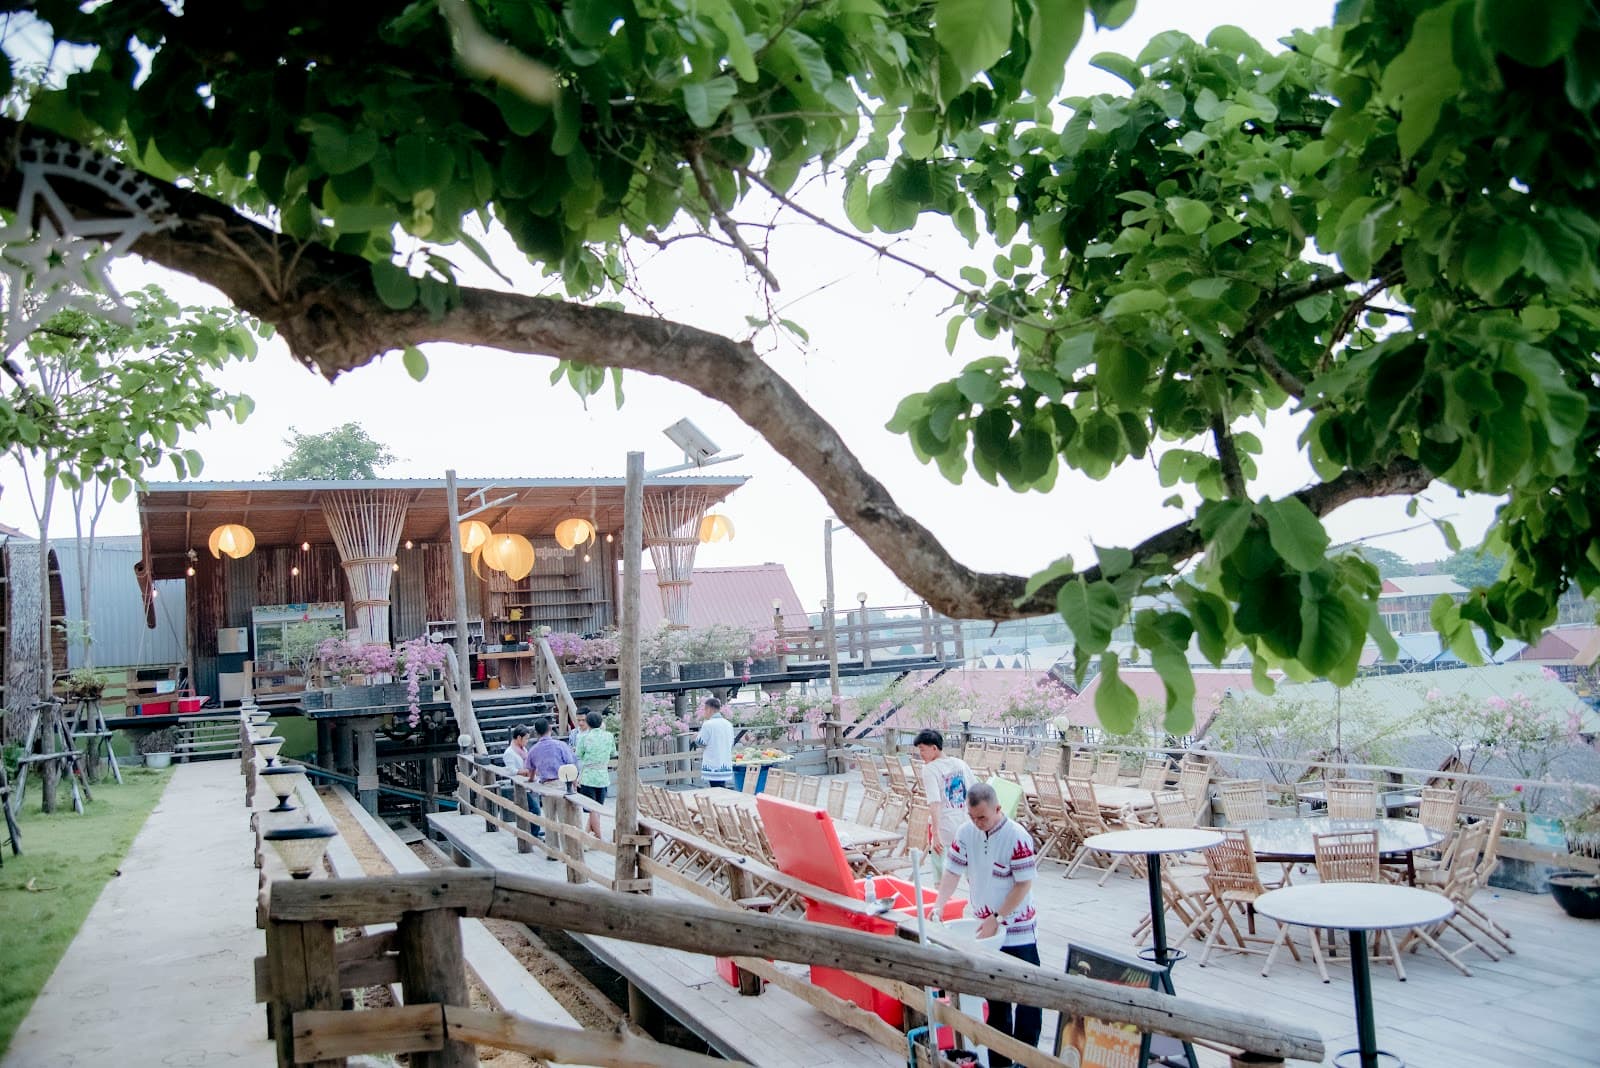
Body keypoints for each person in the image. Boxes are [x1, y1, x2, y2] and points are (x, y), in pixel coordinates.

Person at [931, 782, 1041, 1067]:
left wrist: (999, 917)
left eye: (983, 817)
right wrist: (940, 904)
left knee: (1028, 997)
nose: (977, 822)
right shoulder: (967, 833)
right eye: (972, 816)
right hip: (985, 929)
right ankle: (1000, 1061)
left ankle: (1027, 1058)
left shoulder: (1017, 837)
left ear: (997, 810)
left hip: (1017, 929)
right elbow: (953, 870)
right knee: (996, 1000)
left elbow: (1023, 883)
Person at [914, 728, 974, 866]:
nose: (920, 754)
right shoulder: (960, 764)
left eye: (922, 749)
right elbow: (974, 791)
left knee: (940, 877)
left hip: (944, 830)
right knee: (972, 874)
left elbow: (934, 802)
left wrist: (935, 834)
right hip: (966, 826)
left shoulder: (929, 769)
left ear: (934, 748)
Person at [572, 709, 616, 838]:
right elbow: (613, 753)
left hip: (588, 776)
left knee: (592, 809)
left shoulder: (584, 737)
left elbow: (578, 754)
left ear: (588, 723)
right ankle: (589, 835)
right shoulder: (609, 736)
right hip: (603, 776)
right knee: (597, 809)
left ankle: (598, 837)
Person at [694, 696, 734, 788]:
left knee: (716, 789)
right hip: (725, 762)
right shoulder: (728, 724)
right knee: (721, 787)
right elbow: (731, 742)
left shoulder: (708, 724)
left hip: (713, 763)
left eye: (705, 710)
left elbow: (701, 742)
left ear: (709, 709)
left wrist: (696, 736)